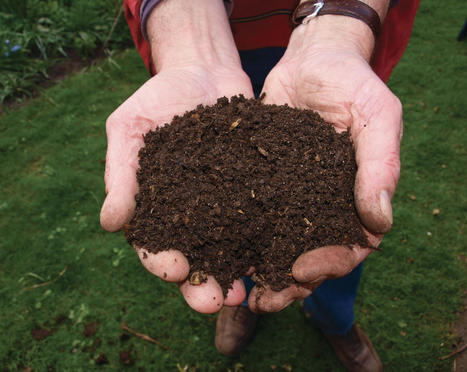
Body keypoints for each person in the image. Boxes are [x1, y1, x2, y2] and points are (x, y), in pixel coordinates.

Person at [100, 0, 419, 370]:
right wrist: (191, 36)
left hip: (342, 31)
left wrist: (338, 28)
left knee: (340, 227)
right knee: (244, 252)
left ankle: (335, 320)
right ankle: (242, 299)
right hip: (224, 33)